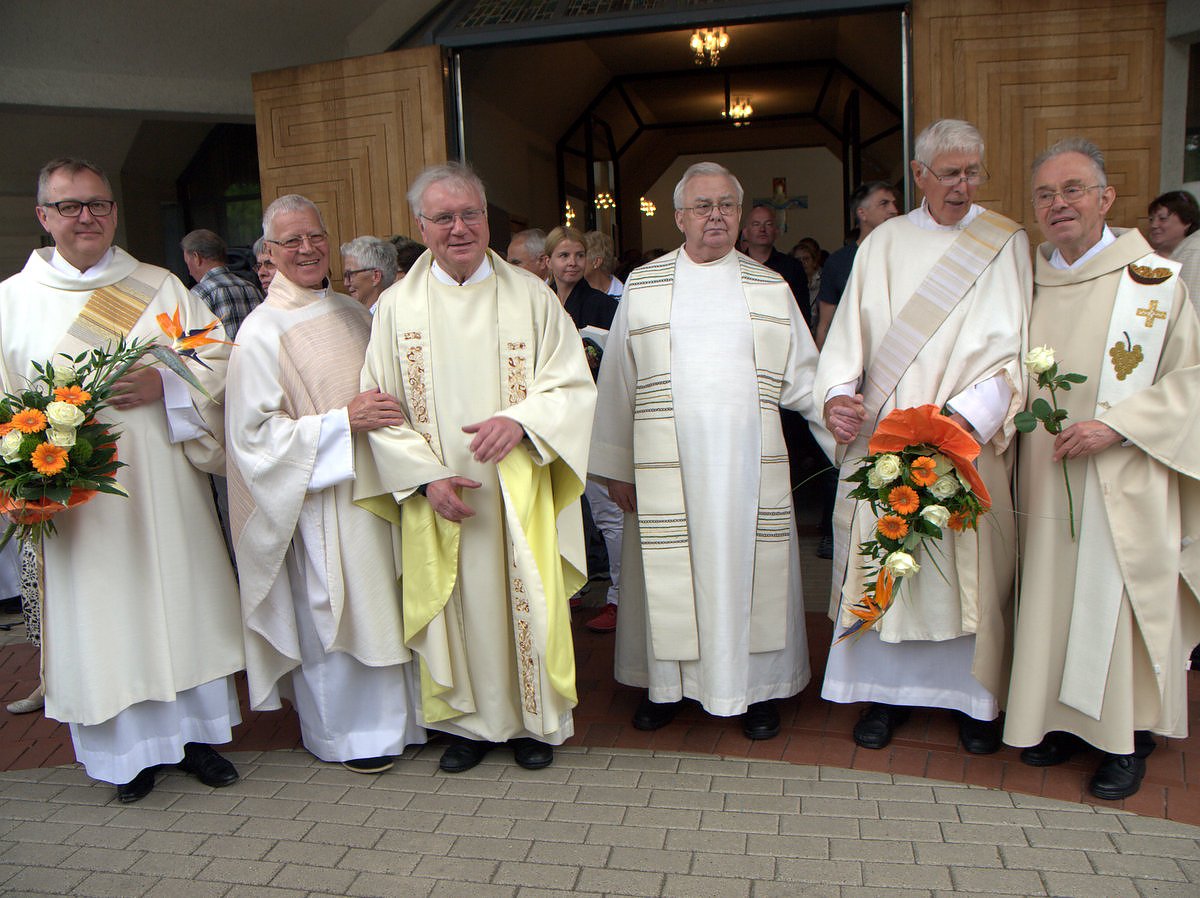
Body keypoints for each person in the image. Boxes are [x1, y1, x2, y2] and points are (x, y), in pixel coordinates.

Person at [0, 157, 244, 802]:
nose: (87, 217)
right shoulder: (11, 302)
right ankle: (126, 756)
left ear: (113, 211)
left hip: (164, 485)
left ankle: (196, 739)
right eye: (70, 206)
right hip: (79, 504)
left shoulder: (158, 286)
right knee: (104, 621)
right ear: (44, 216)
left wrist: (167, 383)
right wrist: (20, 480)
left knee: (180, 602)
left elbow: (217, 354)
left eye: (98, 204)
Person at [355, 162, 596, 773]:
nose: (459, 228)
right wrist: (425, 479)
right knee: (455, 603)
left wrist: (521, 422)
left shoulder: (532, 296)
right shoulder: (396, 308)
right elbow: (378, 406)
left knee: (527, 598)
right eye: (444, 217)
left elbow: (572, 385)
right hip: (441, 494)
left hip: (517, 486)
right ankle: (465, 726)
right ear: (421, 226)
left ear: (489, 219)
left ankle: (533, 722)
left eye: (470, 214)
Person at [816, 119, 1031, 755]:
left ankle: (973, 698)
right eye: (949, 173)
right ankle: (881, 695)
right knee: (887, 558)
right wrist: (837, 399)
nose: (962, 186)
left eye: (972, 172)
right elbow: (847, 337)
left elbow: (1016, 347)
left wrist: (965, 418)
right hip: (885, 435)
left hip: (964, 436)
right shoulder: (883, 243)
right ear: (919, 175)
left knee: (965, 569)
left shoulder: (1004, 242)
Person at [590, 162, 822, 740]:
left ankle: (757, 688)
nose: (715, 216)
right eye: (702, 206)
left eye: (726, 205)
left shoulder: (770, 287)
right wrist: (616, 468)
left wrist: (842, 412)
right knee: (670, 578)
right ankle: (666, 688)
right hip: (666, 469)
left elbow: (806, 379)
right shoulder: (645, 285)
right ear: (679, 217)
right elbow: (618, 380)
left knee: (751, 576)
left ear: (739, 215)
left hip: (747, 470)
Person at [1005, 138, 1200, 800]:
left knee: (1113, 598)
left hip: (1126, 474)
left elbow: (1190, 381)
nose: (1058, 204)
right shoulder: (1027, 281)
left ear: (1106, 198)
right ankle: (1061, 720)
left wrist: (1117, 425)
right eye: (1045, 194)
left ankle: (1126, 737)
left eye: (1073, 190)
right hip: (1045, 475)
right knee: (1052, 595)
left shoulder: (1154, 282)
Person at [226, 195, 424, 774]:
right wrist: (341, 423)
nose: (307, 248)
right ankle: (351, 735)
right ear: (270, 252)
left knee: (389, 604)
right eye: (292, 241)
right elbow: (253, 437)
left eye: (315, 236)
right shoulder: (262, 331)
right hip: (322, 496)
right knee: (335, 612)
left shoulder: (351, 310)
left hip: (379, 485)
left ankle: (409, 723)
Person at [545, 226, 622, 634]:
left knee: (606, 510)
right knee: (556, 506)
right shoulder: (536, 301)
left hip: (592, 416)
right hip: (549, 418)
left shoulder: (603, 305)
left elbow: (618, 363)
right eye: (563, 256)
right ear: (548, 261)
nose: (572, 263)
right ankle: (567, 585)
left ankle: (619, 596)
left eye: (578, 255)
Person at [815, 182, 901, 349]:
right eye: (884, 204)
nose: (894, 210)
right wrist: (820, 362)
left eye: (894, 203)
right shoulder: (838, 262)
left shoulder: (905, 254)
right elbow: (825, 325)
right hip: (853, 352)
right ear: (862, 213)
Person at [181, 228, 264, 339]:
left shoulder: (199, 294)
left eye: (187, 263)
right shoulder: (251, 288)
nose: (190, 273)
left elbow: (194, 342)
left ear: (196, 258)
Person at [1147, 190, 1200, 313]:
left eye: (1162, 219)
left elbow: (1193, 310)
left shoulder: (1195, 253)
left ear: (1186, 221)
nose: (1154, 225)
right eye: (1151, 219)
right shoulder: (1148, 257)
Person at [340, 235, 398, 313]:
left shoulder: (393, 314)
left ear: (376, 276)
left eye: (350, 274)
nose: (346, 283)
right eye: (345, 275)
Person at [583, 230, 624, 298]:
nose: (573, 262)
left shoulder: (625, 295)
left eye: (580, 256)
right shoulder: (573, 294)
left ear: (596, 262)